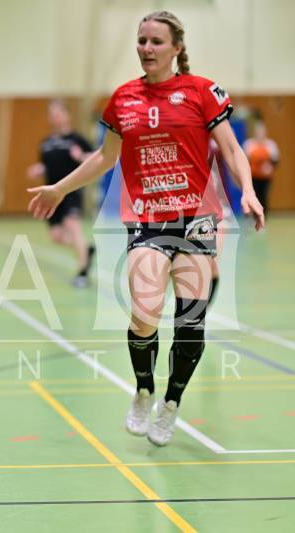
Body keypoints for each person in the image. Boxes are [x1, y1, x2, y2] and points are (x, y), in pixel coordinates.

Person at [28, 11, 264, 447]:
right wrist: (59, 189)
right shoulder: (123, 98)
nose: (147, 48)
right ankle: (143, 391)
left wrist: (248, 190)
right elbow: (104, 158)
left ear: (176, 48)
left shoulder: (202, 91)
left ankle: (171, 403)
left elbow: (232, 149)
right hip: (148, 219)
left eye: (156, 41)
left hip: (196, 219)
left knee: (190, 323)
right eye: (142, 40)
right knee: (144, 314)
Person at [27, 99, 96, 287]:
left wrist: (81, 156)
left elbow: (96, 159)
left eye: (58, 113)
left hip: (71, 191)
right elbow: (47, 165)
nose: (55, 118)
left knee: (73, 226)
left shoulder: (77, 139)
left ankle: (82, 272)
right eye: (52, 115)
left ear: (67, 116)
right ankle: (86, 249)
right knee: (56, 236)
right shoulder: (46, 143)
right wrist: (39, 169)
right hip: (52, 194)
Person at [242, 119, 279, 213]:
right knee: (253, 196)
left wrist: (270, 166)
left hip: (265, 177)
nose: (260, 133)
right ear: (255, 132)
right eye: (258, 131)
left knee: (263, 196)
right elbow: (244, 161)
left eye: (262, 131)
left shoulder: (270, 145)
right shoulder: (249, 144)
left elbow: (275, 161)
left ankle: (263, 216)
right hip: (252, 177)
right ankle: (252, 216)